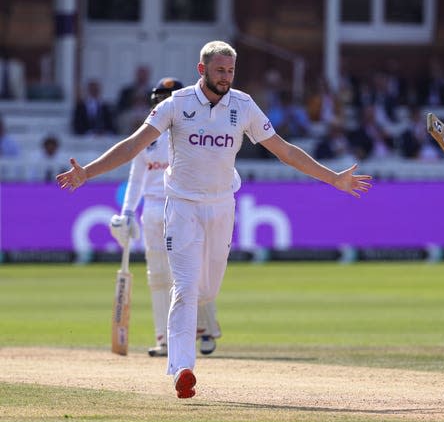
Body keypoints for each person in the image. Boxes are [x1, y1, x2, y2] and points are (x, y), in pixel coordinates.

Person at [56, 40, 372, 399]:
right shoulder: (176, 104)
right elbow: (133, 144)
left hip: (222, 206)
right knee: (186, 288)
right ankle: (182, 369)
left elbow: (284, 150)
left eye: (231, 71)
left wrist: (333, 178)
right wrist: (89, 173)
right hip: (182, 206)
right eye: (220, 70)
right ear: (202, 70)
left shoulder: (243, 105)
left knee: (208, 291)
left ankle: (189, 344)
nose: (226, 77)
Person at [109, 77, 239, 357]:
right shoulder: (148, 136)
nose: (161, 102)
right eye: (159, 97)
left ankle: (204, 329)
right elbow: (136, 179)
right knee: (158, 277)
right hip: (154, 212)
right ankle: (164, 339)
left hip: (184, 206)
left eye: (166, 97)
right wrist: (128, 213)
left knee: (192, 272)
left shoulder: (193, 130)